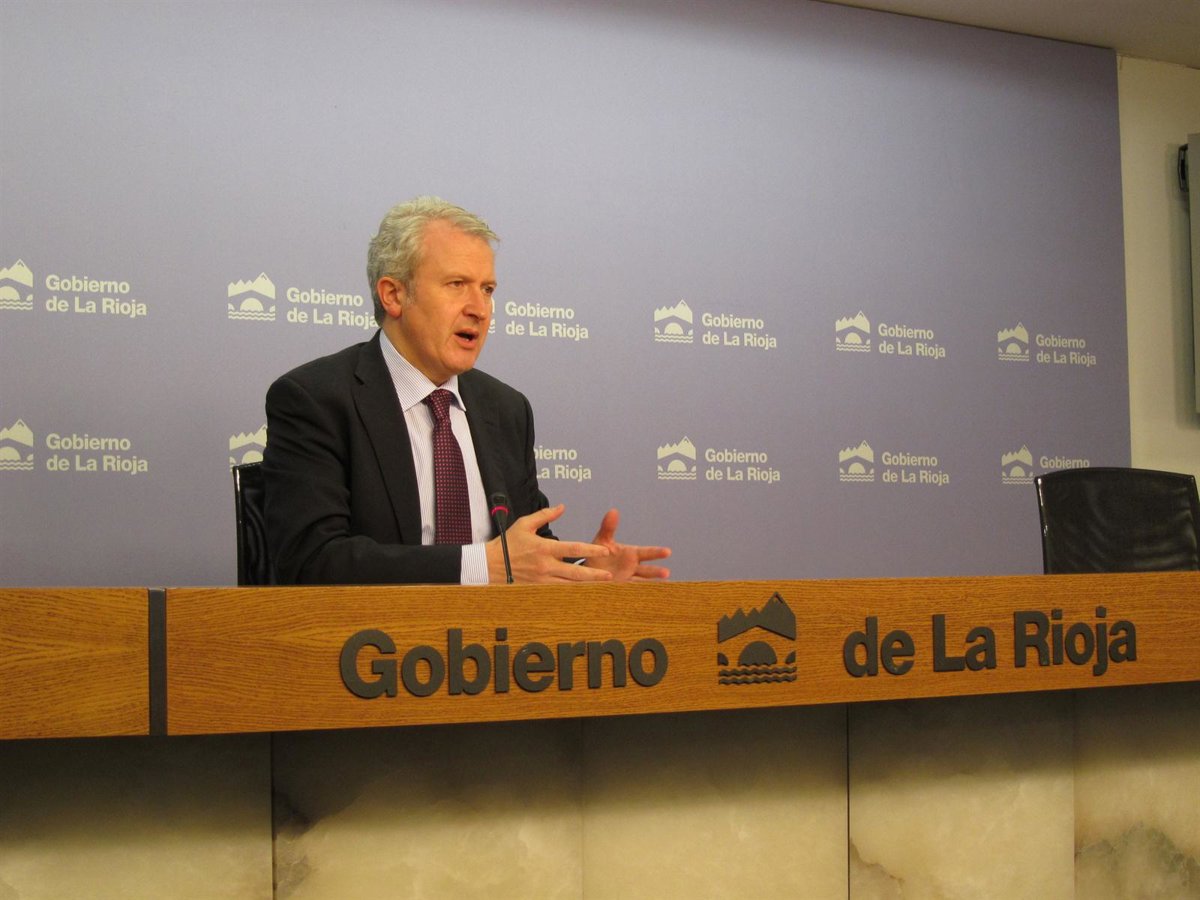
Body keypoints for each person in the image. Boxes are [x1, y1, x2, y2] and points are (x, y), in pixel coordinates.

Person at [262, 196, 671, 585]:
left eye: (488, 289)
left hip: (496, 635)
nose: (479, 309)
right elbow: (311, 561)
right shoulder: (316, 400)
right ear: (394, 295)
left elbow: (525, 555)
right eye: (457, 284)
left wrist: (585, 570)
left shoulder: (506, 409)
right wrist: (481, 566)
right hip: (376, 634)